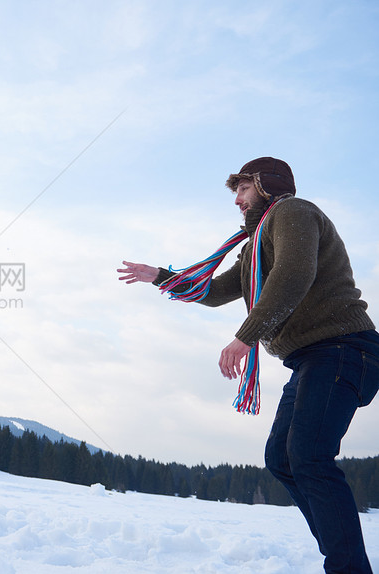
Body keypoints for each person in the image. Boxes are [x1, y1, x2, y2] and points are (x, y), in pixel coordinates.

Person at [118, 157, 379, 573]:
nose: (237, 200)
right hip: (315, 356)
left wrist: (246, 335)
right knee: (283, 459)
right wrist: (161, 277)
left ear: (266, 184)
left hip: (344, 347)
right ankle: (347, 558)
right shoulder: (257, 245)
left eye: (242, 189)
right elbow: (218, 290)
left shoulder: (293, 213)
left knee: (309, 456)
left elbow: (295, 273)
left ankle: (347, 567)